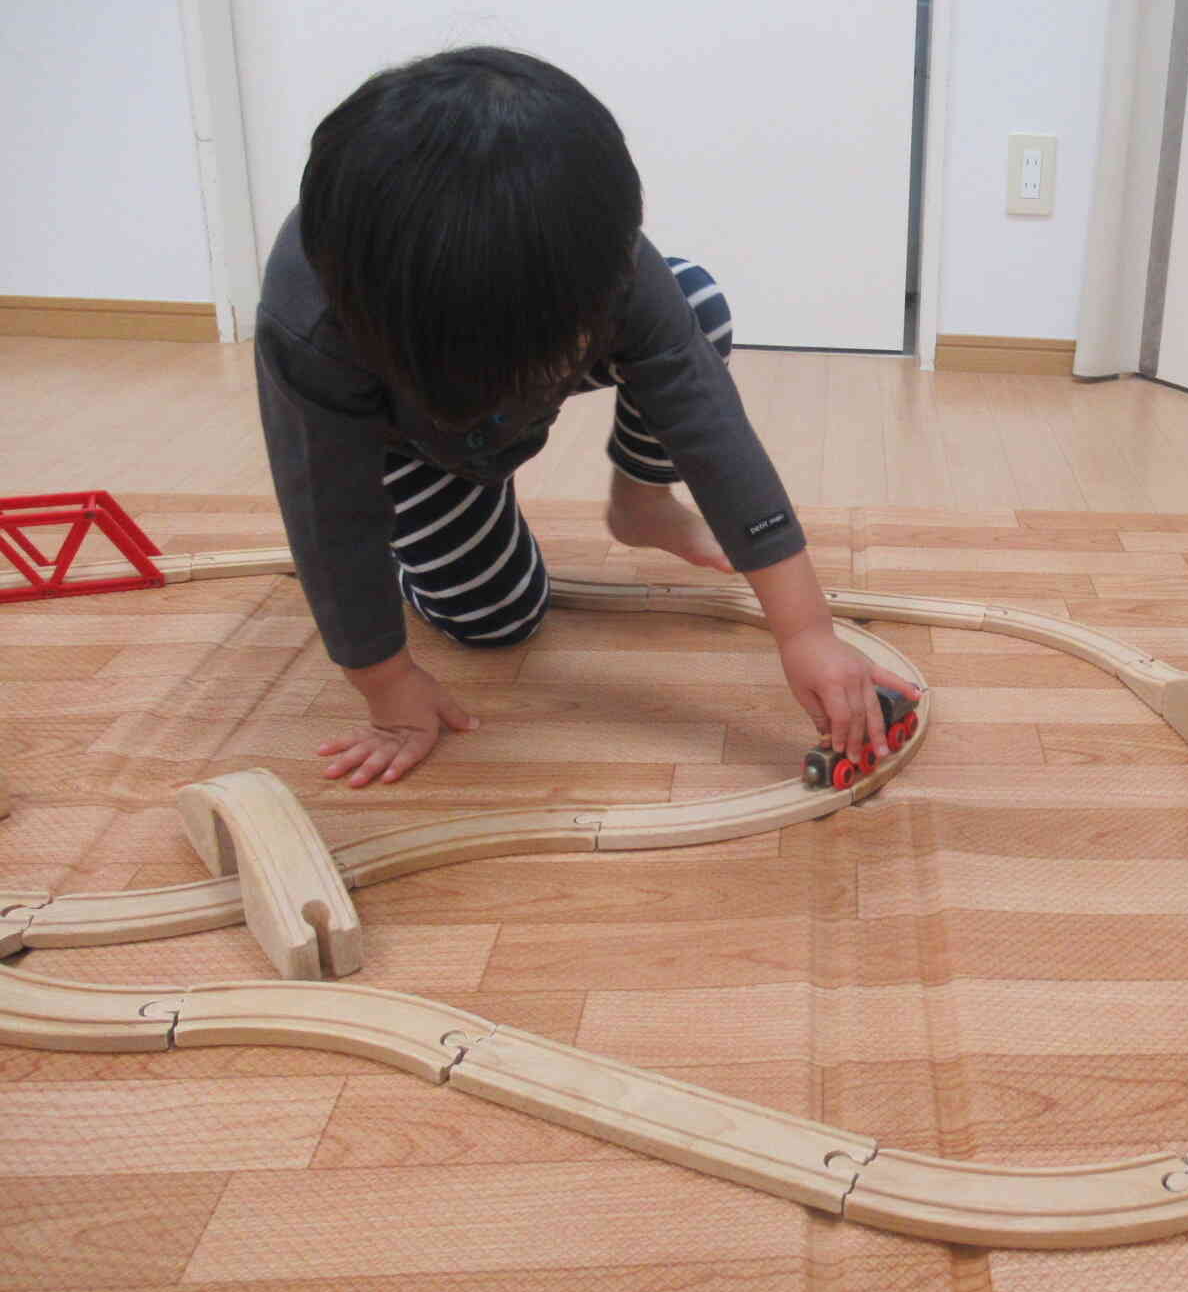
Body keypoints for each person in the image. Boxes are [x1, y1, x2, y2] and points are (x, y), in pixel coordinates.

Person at [255, 46, 915, 787]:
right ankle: (438, 537)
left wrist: (806, 629)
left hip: (502, 391)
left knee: (695, 305)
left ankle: (643, 504)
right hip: (410, 443)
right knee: (496, 622)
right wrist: (385, 686)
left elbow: (708, 421)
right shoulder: (311, 326)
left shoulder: (603, 259)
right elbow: (328, 514)